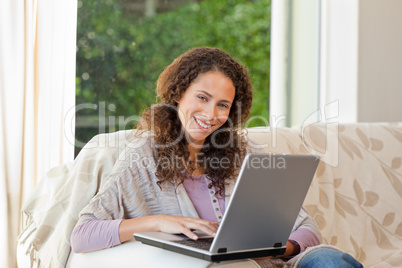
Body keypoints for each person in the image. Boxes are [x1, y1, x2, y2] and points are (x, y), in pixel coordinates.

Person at [70, 47, 362, 267]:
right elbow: (83, 235)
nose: (211, 115)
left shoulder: (246, 154)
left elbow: (308, 229)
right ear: (178, 94)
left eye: (223, 105)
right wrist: (159, 222)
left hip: (272, 264)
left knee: (329, 260)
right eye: (202, 98)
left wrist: (273, 248)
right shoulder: (142, 157)